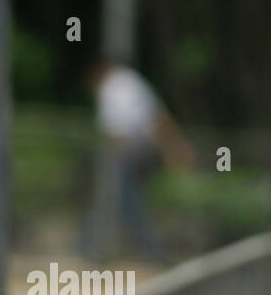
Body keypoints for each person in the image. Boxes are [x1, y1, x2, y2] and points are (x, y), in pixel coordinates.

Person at [83, 58, 194, 260]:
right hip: (148, 148)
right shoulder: (132, 81)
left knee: (123, 199)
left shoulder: (110, 88)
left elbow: (116, 131)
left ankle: (141, 248)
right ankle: (98, 244)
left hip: (131, 151)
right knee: (124, 197)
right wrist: (174, 146)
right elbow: (158, 116)